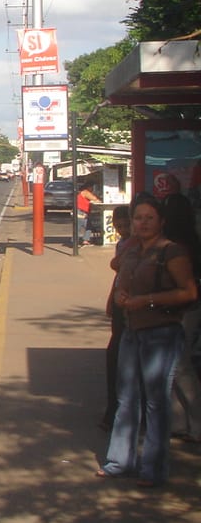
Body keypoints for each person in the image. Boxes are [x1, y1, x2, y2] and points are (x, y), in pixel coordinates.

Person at [96, 197, 197, 487]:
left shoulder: (172, 252)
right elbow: (121, 284)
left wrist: (147, 301)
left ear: (161, 221)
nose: (142, 223)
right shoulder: (131, 252)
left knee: (156, 402)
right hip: (131, 332)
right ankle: (119, 461)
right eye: (138, 217)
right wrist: (121, 298)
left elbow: (188, 292)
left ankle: (153, 469)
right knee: (126, 399)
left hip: (162, 334)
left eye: (149, 218)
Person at [160, 192, 201, 442]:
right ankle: (180, 421)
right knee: (174, 366)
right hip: (189, 309)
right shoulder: (193, 238)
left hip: (183, 310)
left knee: (179, 365)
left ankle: (194, 422)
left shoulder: (175, 247)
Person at [100, 205, 132, 430]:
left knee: (119, 356)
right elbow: (119, 274)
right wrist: (111, 298)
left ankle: (116, 412)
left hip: (133, 306)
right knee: (115, 355)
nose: (122, 230)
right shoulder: (123, 244)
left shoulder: (137, 244)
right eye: (118, 226)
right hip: (122, 302)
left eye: (125, 225)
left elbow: (117, 266)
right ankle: (114, 410)